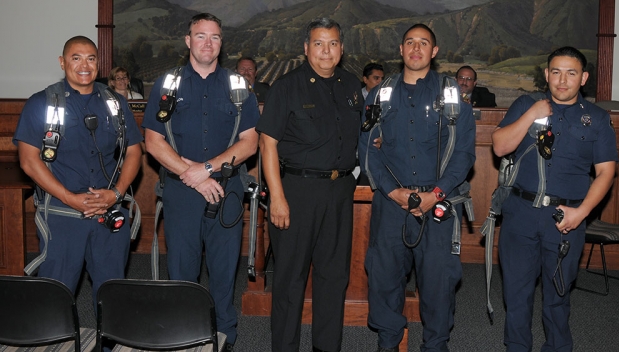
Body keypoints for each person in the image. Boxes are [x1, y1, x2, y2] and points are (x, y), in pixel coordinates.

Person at [142, 13, 260, 351]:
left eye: (215, 37)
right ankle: (182, 337)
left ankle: (224, 339)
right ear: (188, 40)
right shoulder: (168, 84)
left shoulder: (238, 85)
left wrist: (205, 170)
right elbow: (153, 141)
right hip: (181, 192)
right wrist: (188, 174)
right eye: (201, 36)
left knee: (224, 274)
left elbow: (249, 142)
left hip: (227, 191)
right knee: (182, 271)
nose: (208, 43)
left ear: (222, 44)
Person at [359, 24, 476, 351]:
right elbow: (367, 149)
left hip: (438, 204)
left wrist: (435, 194)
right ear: (400, 49)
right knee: (383, 280)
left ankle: (435, 346)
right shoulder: (379, 93)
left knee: (439, 285)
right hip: (391, 203)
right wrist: (390, 191)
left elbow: (465, 153)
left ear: (434, 52)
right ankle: (388, 343)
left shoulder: (452, 94)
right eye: (410, 42)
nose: (416, 48)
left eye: (423, 43)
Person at [492, 46, 618, 351]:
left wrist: (582, 213)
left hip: (565, 219)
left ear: (583, 77)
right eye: (556, 72)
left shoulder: (597, 119)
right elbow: (499, 146)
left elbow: (605, 173)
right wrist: (532, 115)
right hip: (520, 213)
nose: (562, 80)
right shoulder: (526, 103)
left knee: (558, 297)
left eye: (571, 73)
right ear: (547, 74)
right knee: (517, 295)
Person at [257, 17, 363, 352]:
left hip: (339, 193)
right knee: (290, 281)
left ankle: (326, 348)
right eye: (318, 43)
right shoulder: (286, 86)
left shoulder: (351, 86)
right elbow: (267, 144)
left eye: (332, 43)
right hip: (297, 193)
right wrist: (277, 197)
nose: (326, 51)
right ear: (306, 49)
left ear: (341, 49)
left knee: (334, 279)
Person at [13, 36, 143, 304]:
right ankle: (53, 345)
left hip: (109, 214)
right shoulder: (42, 103)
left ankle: (107, 345)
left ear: (99, 64)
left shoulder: (115, 103)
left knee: (112, 294)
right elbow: (28, 160)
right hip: (63, 215)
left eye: (91, 58)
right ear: (62, 62)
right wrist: (68, 197)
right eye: (76, 58)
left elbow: (134, 152)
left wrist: (116, 194)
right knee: (55, 296)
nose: (84, 65)